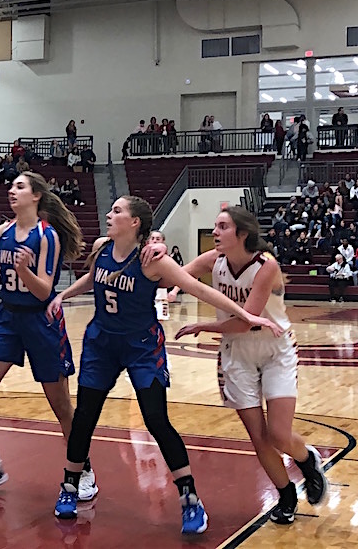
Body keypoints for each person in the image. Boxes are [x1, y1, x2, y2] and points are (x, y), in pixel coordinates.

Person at [47, 195, 277, 532]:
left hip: (141, 346)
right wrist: (64, 295)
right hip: (102, 343)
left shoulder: (153, 261)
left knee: (156, 419)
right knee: (84, 416)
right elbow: (94, 276)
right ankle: (70, 485)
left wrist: (245, 314)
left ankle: (190, 500)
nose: (109, 215)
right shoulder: (102, 248)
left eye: (117, 211)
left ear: (135, 222)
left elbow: (199, 289)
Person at [0, 172, 95, 499]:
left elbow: (44, 292)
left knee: (61, 406)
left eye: (20, 186)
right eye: (11, 186)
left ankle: (84, 469)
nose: (12, 190)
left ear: (36, 195)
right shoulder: (2, 232)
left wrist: (24, 270)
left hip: (41, 322)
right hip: (8, 318)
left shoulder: (47, 236)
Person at [173, 206, 329, 525]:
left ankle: (308, 460)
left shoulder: (265, 266)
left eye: (223, 227)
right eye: (214, 226)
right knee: (258, 438)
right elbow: (181, 272)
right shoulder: (213, 261)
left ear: (242, 234)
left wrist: (201, 327)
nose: (215, 232)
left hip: (274, 350)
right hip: (236, 355)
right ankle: (286, 495)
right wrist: (174, 288)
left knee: (279, 435)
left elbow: (246, 322)